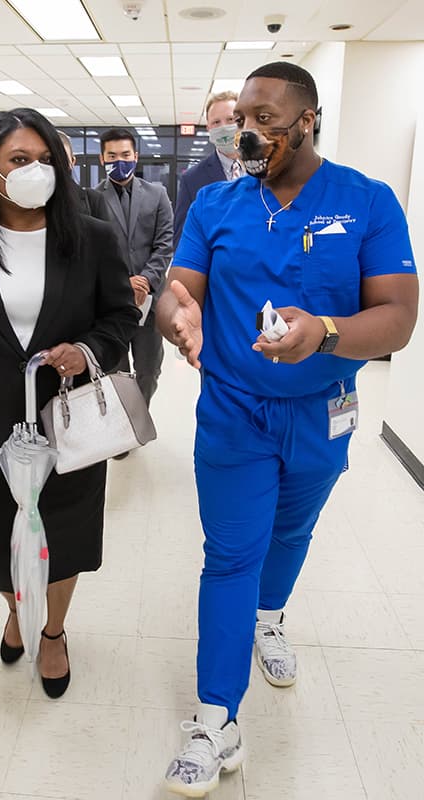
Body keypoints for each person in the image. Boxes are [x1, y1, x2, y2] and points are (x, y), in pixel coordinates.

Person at [156, 62, 418, 796]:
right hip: (235, 412)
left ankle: (270, 620)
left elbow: (398, 315)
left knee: (291, 536)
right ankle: (215, 719)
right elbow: (178, 292)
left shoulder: (366, 202)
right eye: (243, 116)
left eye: (267, 118)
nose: (249, 131)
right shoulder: (216, 204)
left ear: (308, 120)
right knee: (230, 556)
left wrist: (327, 332)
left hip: (323, 413)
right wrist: (176, 314)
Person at [0, 108, 139, 699]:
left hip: (68, 424)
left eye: (44, 159)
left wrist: (88, 350)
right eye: (19, 160)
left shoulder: (91, 237)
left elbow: (121, 317)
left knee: (62, 538)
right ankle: (16, 610)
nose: (35, 170)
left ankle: (54, 631)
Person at [95, 128, 173, 417]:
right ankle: (121, 424)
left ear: (136, 157)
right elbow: (93, 251)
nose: (120, 161)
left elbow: (165, 244)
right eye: (112, 156)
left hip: (151, 301)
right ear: (103, 158)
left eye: (125, 155)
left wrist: (145, 280)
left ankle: (137, 416)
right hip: (112, 303)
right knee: (116, 371)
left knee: (149, 369)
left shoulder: (157, 194)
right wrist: (122, 283)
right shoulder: (93, 200)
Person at [174, 91, 244, 248]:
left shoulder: (264, 171)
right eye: (216, 122)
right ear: (208, 128)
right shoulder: (192, 179)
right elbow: (182, 240)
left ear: (242, 121)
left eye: (231, 119)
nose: (224, 127)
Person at [56, 130, 111, 221]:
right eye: (48, 158)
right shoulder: (28, 201)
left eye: (62, 158)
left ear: (72, 162)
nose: (56, 163)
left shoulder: (93, 201)